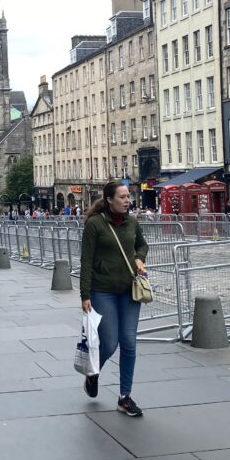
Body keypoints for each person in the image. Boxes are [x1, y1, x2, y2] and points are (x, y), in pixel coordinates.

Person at [79, 179, 149, 419]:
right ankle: (93, 373)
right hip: (103, 290)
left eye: (128, 196)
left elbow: (142, 244)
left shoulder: (132, 222)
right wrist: (84, 294)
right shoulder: (95, 225)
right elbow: (86, 260)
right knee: (109, 343)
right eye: (122, 197)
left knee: (129, 342)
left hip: (130, 290)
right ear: (109, 200)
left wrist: (139, 258)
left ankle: (124, 397)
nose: (127, 200)